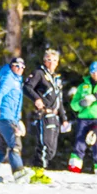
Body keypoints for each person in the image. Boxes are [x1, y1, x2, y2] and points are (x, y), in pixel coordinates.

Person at [23, 49, 69, 184]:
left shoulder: (56, 78)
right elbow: (27, 87)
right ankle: (38, 172)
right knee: (45, 144)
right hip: (44, 114)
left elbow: (59, 100)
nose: (52, 63)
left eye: (54, 60)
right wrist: (37, 99)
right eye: (49, 60)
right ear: (44, 61)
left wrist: (64, 118)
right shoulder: (39, 73)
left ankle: (39, 170)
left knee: (52, 150)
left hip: (54, 116)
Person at [0, 57, 34, 183]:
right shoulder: (9, 77)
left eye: (22, 67)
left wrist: (18, 120)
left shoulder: (17, 80)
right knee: (15, 144)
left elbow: (15, 102)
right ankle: (18, 172)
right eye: (17, 66)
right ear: (11, 66)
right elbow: (0, 93)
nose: (20, 69)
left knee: (2, 147)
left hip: (10, 117)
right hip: (5, 117)